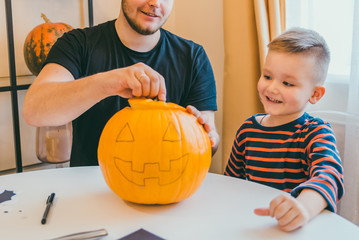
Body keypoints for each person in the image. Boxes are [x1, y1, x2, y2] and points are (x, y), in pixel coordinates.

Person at [22, 0, 219, 167]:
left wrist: (205, 138)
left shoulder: (193, 57)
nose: (155, 3)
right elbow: (34, 109)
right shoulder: (77, 44)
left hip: (167, 192)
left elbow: (211, 141)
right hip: (89, 195)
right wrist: (109, 82)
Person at [224, 28, 344, 232]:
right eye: (267, 76)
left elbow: (330, 176)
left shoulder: (315, 133)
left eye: (287, 83)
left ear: (315, 94)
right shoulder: (247, 130)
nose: (272, 88)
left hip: (295, 230)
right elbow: (230, 185)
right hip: (251, 227)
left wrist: (303, 208)